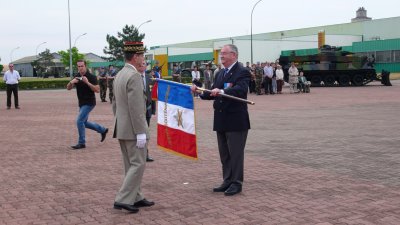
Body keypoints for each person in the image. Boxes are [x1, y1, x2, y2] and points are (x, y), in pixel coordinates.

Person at [191, 44, 251, 196]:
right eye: (221, 54)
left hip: (236, 120)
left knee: (235, 154)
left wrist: (223, 91)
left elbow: (241, 89)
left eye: (224, 53)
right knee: (224, 154)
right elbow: (212, 92)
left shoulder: (242, 71)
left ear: (234, 55)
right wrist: (198, 91)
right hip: (221, 119)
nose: (221, 56)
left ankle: (236, 183)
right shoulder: (220, 73)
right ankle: (227, 180)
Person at [112, 41, 155, 213]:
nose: (143, 59)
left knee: (130, 165)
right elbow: (137, 108)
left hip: (122, 127)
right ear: (136, 57)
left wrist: (119, 122)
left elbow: (115, 104)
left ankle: (136, 196)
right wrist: (141, 132)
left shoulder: (120, 74)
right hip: (133, 129)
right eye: (142, 56)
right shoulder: (135, 76)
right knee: (138, 163)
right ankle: (122, 199)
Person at [66, 60, 108, 150]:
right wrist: (71, 82)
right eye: (78, 66)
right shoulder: (77, 76)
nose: (80, 68)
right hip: (81, 103)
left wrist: (87, 82)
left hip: (89, 103)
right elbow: (68, 88)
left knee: (79, 121)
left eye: (82, 66)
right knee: (84, 123)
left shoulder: (91, 76)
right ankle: (102, 130)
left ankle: (82, 143)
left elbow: (97, 90)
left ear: (85, 66)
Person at [139, 62, 155, 162]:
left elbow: (153, 94)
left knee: (146, 132)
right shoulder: (134, 77)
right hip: (138, 110)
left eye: (144, 64)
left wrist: (153, 110)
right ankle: (138, 154)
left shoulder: (150, 78)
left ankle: (145, 154)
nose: (142, 65)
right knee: (138, 132)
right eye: (140, 64)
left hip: (147, 109)